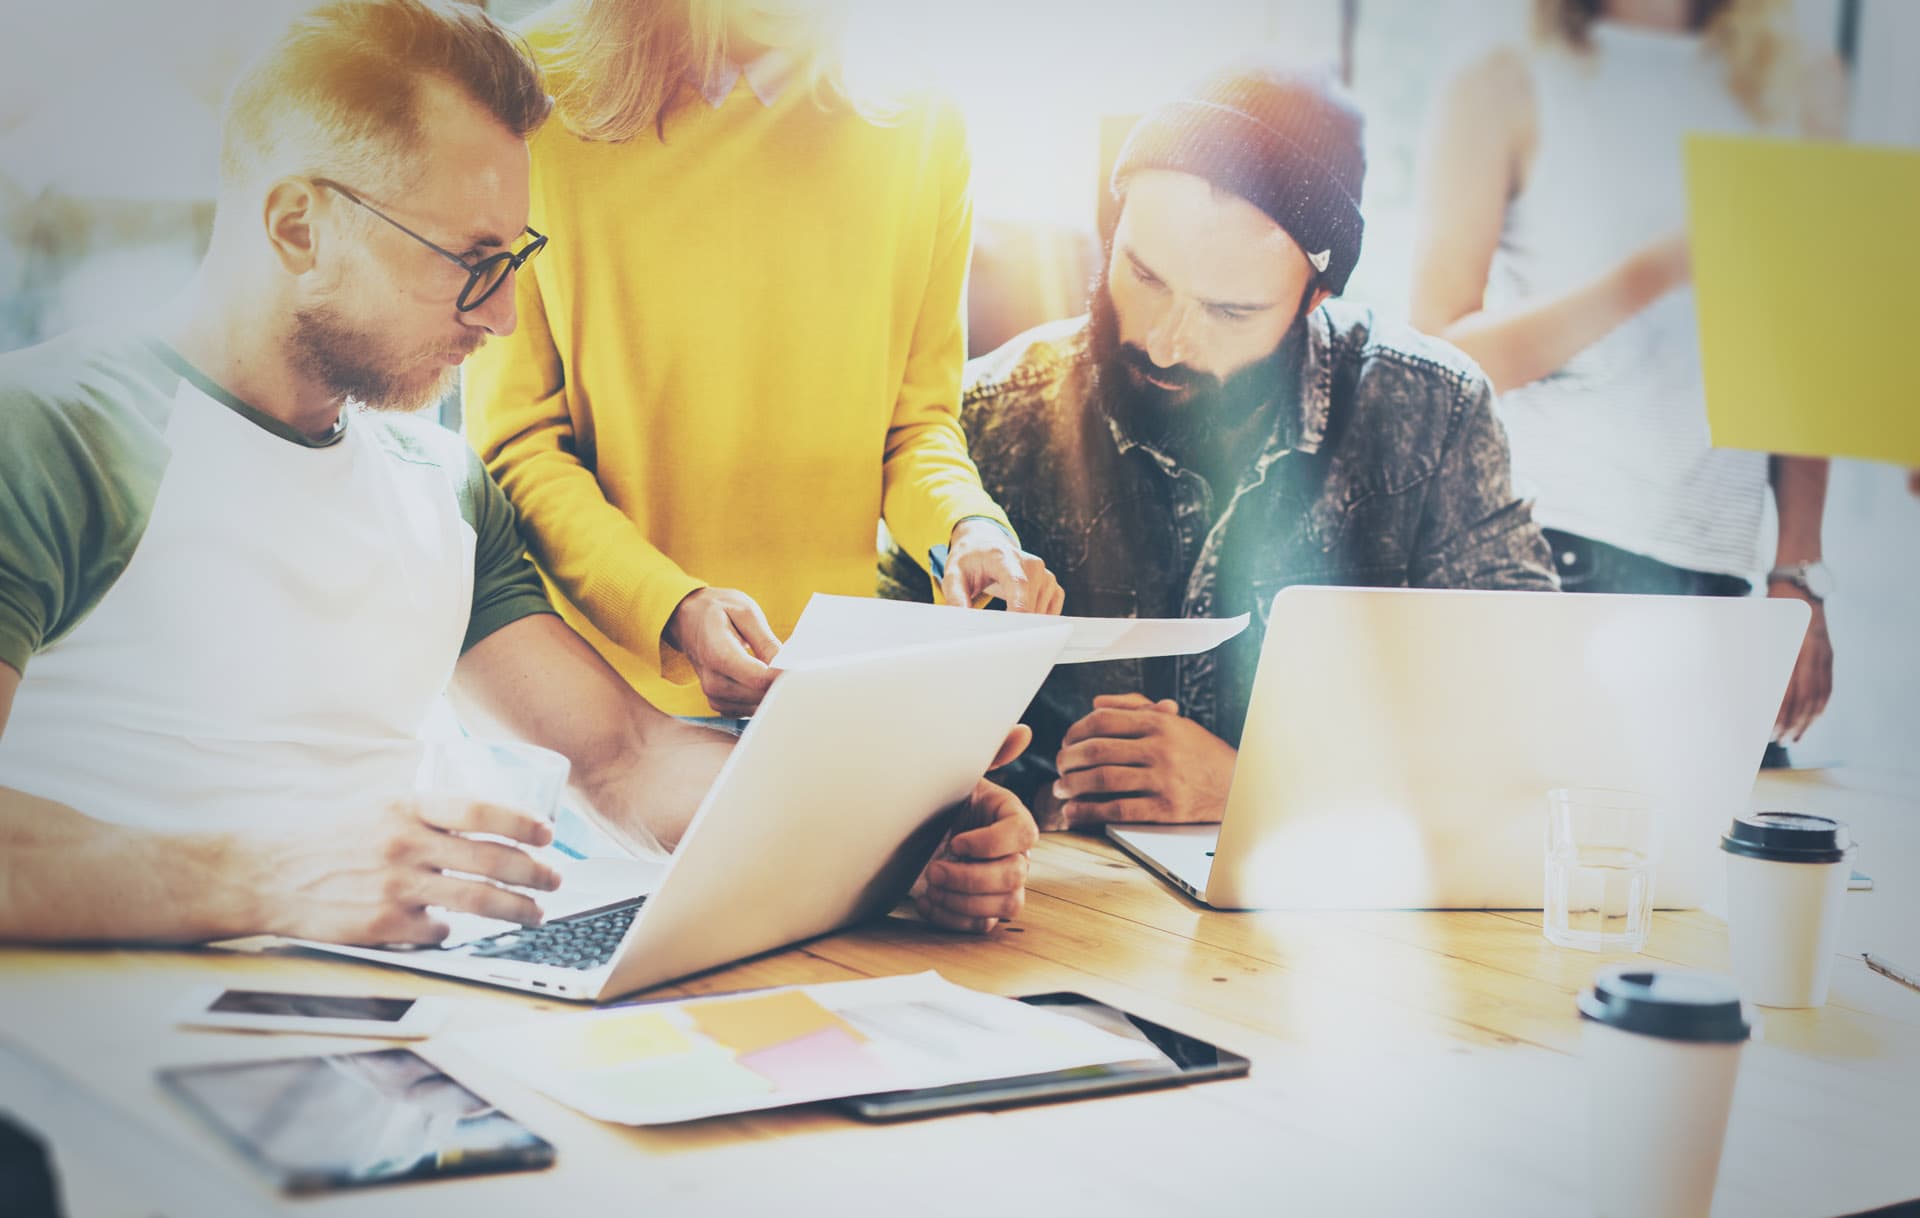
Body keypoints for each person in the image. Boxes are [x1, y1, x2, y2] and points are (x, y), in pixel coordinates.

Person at [0, 0, 1035, 944]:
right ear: (297, 227)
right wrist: (270, 878)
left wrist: (895, 817)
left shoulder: (438, 485)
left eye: (516, 261)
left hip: (401, 1063)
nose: (500, 318)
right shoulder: (50, 433)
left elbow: (626, 757)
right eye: (469, 260)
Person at [882, 65, 1558, 831]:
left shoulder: (1430, 413)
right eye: (1143, 274)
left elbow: (1528, 727)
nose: (1167, 344)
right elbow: (877, 730)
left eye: (1231, 312)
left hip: (1346, 916)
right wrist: (990, 820)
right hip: (1063, 919)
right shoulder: (984, 419)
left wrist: (1257, 786)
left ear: (1316, 300)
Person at [462, 0, 1060, 721]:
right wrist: (671, 608)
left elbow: (914, 429)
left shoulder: (923, 116)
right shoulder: (526, 89)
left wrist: (968, 531)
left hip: (820, 692)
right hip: (606, 709)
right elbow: (518, 446)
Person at [1411, 0, 1845, 762]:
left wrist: (1798, 575)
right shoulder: (1503, 75)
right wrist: (1652, 275)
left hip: (1718, 583)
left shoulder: (1798, 84)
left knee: (1700, 874)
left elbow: (1805, 357)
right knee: (1528, 864)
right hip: (1546, 559)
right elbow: (1440, 362)